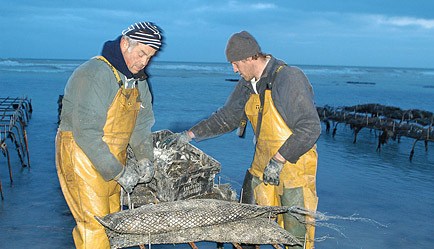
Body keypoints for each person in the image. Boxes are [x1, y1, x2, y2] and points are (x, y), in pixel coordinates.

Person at [175, 31, 321, 248]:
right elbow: (227, 117)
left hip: (293, 170)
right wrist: (188, 135)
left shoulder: (288, 78)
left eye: (236, 64)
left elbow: (310, 127)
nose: (234, 69)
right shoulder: (247, 84)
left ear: (250, 58)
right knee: (244, 233)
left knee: (295, 240)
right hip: (261, 167)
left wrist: (279, 160)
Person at [55, 22, 163, 249]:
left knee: (112, 225)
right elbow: (85, 133)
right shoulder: (94, 74)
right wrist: (118, 171)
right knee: (95, 228)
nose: (144, 62)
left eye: (150, 57)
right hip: (83, 157)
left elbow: (142, 123)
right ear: (125, 44)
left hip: (112, 160)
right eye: (141, 53)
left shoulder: (138, 81)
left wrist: (145, 158)